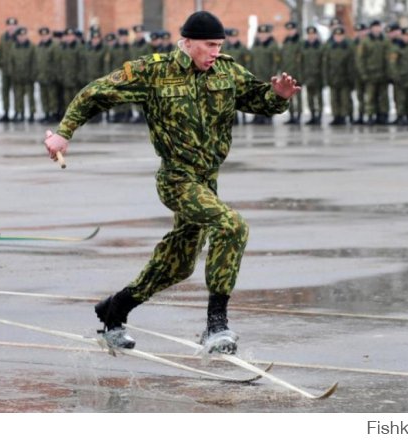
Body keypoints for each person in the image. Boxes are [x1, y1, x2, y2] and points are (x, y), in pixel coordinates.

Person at [44, 11, 300, 353]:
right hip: (177, 178)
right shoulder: (154, 71)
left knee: (178, 264)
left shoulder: (227, 70)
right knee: (232, 226)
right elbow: (96, 93)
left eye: (219, 45)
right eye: (209, 45)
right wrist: (64, 133)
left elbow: (258, 100)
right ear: (188, 42)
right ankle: (216, 325)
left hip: (207, 181)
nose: (214, 51)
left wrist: (279, 96)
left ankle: (114, 309)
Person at [0, 17, 18, 122]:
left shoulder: (19, 37)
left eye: (13, 25)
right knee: (5, 92)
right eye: (9, 25)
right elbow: (0, 52)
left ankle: (18, 113)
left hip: (15, 70)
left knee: (16, 92)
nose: (11, 27)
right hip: (5, 69)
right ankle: (6, 112)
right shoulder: (3, 37)